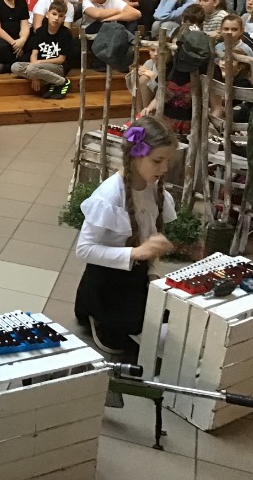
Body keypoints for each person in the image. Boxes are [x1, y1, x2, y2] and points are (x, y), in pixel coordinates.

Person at [74, 116, 176, 355]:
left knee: (167, 319)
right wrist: (137, 252)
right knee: (124, 338)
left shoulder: (155, 192)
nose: (164, 169)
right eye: (157, 161)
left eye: (167, 161)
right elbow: (84, 250)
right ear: (135, 155)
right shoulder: (110, 195)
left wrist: (152, 273)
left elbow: (149, 242)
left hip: (136, 277)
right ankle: (94, 311)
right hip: (107, 281)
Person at [142, 30, 211, 138]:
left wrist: (208, 131)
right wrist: (149, 108)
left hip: (193, 129)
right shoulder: (169, 65)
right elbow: (159, 97)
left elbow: (216, 107)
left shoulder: (209, 70)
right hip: (165, 126)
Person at [10, 1, 74, 99]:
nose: (57, 18)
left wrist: (37, 64)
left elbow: (61, 59)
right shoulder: (40, 31)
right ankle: (50, 82)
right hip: (39, 67)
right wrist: (35, 76)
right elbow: (34, 54)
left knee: (31, 69)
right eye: (54, 14)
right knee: (15, 67)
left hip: (58, 67)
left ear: (64, 19)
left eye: (60, 16)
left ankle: (63, 82)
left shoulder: (66, 33)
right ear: (47, 14)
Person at [126, 44, 163, 115]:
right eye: (152, 50)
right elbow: (132, 85)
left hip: (161, 97)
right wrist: (136, 72)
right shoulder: (149, 63)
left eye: (159, 50)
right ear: (149, 51)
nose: (155, 54)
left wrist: (154, 77)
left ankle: (148, 114)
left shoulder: (169, 66)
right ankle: (140, 113)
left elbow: (166, 90)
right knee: (138, 77)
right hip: (148, 96)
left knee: (144, 79)